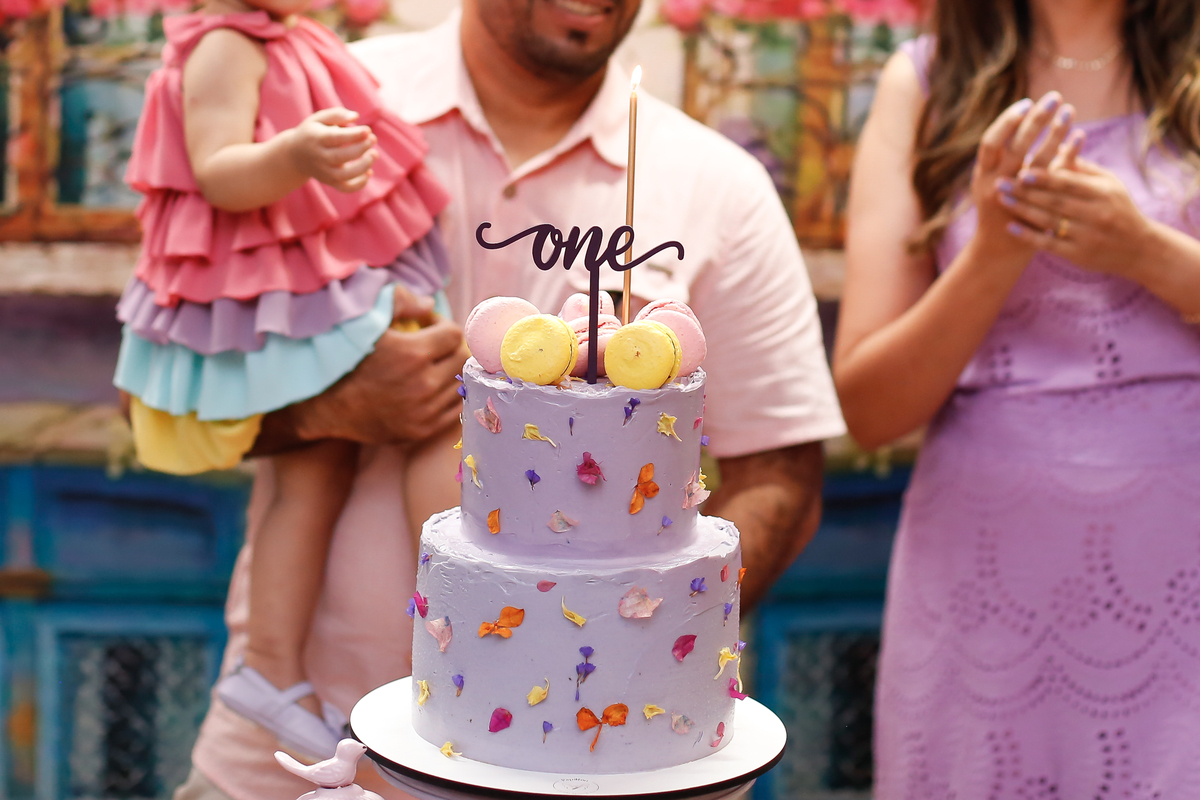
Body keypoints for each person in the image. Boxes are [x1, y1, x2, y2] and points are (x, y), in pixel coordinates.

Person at [173, 1, 845, 798]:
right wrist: (324, 407)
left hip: (588, 773)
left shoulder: (717, 186)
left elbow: (782, 477)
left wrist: (636, 638)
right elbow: (154, 395)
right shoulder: (324, 106)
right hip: (286, 763)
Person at [837, 0, 1200, 794]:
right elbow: (870, 409)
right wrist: (994, 252)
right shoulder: (924, 83)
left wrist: (1145, 252)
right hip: (985, 587)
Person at [111, 0, 462, 761]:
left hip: (307, 269)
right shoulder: (225, 44)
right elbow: (217, 172)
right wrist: (297, 153)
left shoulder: (289, 36)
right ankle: (425, 637)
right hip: (272, 285)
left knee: (326, 462)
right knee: (406, 419)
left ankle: (282, 664)